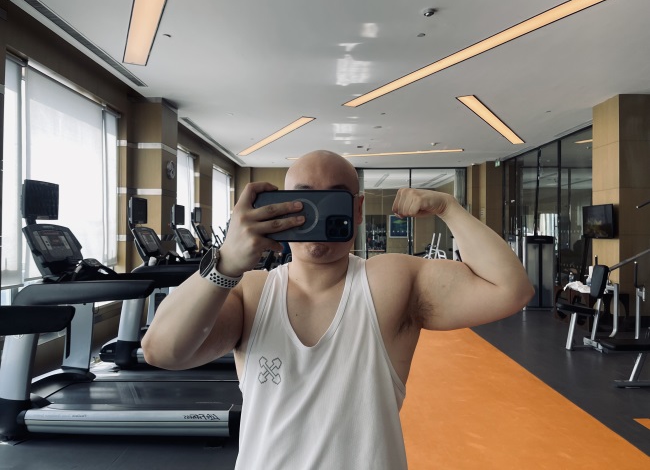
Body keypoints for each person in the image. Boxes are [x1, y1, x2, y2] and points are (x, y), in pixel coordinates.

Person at [142, 150, 534, 469]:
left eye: (335, 198)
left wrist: (449, 208)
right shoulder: (250, 291)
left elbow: (510, 290)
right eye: (304, 198)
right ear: (278, 208)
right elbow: (161, 351)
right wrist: (226, 262)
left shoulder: (390, 281)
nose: (317, 211)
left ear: (357, 210)